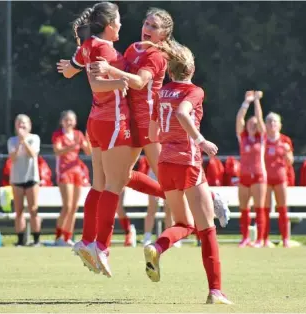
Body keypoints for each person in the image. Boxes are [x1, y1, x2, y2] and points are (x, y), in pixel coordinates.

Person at [89, 7, 230, 231]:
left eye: (154, 27)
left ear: (164, 34)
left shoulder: (157, 55)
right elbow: (119, 72)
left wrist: (109, 70)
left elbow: (138, 82)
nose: (147, 28)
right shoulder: (133, 48)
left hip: (150, 125)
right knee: (122, 177)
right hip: (129, 121)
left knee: (168, 182)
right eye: (146, 24)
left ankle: (209, 200)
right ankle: (208, 200)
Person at [57, 2, 166, 277]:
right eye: (117, 21)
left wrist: (70, 67)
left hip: (96, 121)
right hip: (114, 121)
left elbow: (69, 72)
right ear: (108, 25)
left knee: (101, 183)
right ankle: (100, 247)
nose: (121, 25)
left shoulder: (89, 45)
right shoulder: (104, 48)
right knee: (114, 186)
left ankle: (85, 241)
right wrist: (120, 82)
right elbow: (97, 84)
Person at [144, 42, 232, 304]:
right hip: (188, 162)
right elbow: (183, 112)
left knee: (183, 224)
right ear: (191, 67)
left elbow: (152, 135)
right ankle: (215, 291)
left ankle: (156, 246)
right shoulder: (194, 91)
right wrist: (200, 140)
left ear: (170, 72)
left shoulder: (161, 93)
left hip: (165, 163)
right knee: (207, 229)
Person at [52, 110, 92, 246]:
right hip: (64, 172)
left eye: (71, 120)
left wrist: (88, 140)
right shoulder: (58, 135)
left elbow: (88, 151)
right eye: (66, 120)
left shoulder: (78, 134)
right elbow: (57, 151)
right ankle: (58, 237)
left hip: (77, 172)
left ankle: (67, 237)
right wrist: (72, 146)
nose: (69, 122)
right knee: (67, 206)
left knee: (74, 207)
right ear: (62, 121)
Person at [236, 91, 267, 248]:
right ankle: (245, 238)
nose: (253, 126)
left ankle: (260, 239)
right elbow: (240, 119)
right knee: (244, 208)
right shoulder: (242, 137)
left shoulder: (261, 138)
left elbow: (260, 119)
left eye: (255, 125)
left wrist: (256, 101)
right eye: (251, 123)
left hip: (259, 176)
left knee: (259, 208)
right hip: (244, 176)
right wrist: (246, 102)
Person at [7, 114, 41, 247]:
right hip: (17, 179)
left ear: (29, 125)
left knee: (33, 210)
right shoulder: (12, 140)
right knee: (19, 210)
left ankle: (36, 240)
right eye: (19, 123)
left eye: (24, 123)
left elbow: (33, 154)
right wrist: (19, 142)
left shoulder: (34, 138)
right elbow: (13, 158)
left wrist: (24, 141)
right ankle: (20, 240)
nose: (22, 125)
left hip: (32, 178)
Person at [263, 112, 294, 248]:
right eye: (269, 121)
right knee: (264, 210)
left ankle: (285, 239)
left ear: (280, 125)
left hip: (281, 178)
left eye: (275, 121)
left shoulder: (285, 140)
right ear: (265, 124)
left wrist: (287, 152)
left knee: (283, 209)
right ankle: (264, 239)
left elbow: (290, 161)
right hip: (265, 179)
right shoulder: (262, 140)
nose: (272, 124)